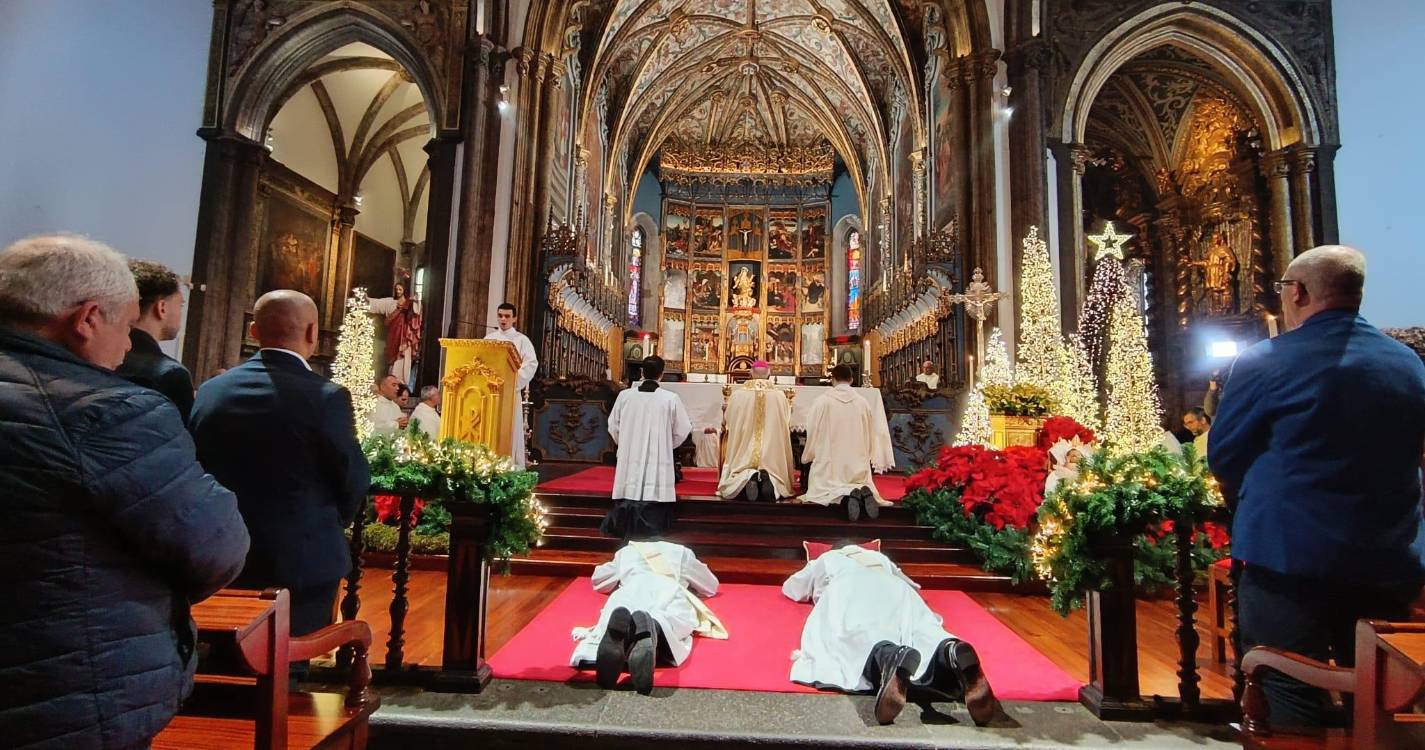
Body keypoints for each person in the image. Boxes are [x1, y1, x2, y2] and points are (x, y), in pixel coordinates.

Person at [0, 234, 249, 748]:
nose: (130, 346)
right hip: (66, 686)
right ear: (87, 318)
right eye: (125, 323)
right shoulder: (110, 412)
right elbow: (214, 547)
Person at [1209, 245, 1425, 729]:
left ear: (1299, 292)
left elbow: (1224, 455)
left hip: (1288, 556)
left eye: (1285, 288)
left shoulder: (1266, 361)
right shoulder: (1407, 363)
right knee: (1377, 699)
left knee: (1286, 684)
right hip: (1386, 556)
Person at [190, 290, 371, 639]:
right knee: (288, 665)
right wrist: (329, 521)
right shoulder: (325, 396)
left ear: (254, 332)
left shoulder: (212, 391)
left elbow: (193, 466)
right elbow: (353, 476)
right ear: (312, 333)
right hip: (301, 559)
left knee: (223, 658)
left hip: (222, 554)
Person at [783, 543, 1000, 726]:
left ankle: (890, 657)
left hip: (850, 586)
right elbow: (913, 585)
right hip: (897, 588)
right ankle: (950, 650)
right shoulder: (880, 558)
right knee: (922, 632)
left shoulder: (827, 558)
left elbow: (793, 588)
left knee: (854, 637)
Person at [571, 541, 723, 695]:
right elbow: (710, 586)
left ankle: (624, 636)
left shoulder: (627, 552)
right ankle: (652, 628)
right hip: (667, 590)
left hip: (629, 591)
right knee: (671, 619)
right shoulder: (682, 553)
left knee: (620, 614)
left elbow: (599, 581)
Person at [603, 356, 692, 538]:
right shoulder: (670, 398)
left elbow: (613, 426)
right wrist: (667, 446)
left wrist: (628, 442)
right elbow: (683, 429)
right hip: (658, 457)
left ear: (642, 372)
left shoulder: (624, 396)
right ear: (662, 374)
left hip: (629, 455)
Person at [800, 364, 891, 521]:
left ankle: (847, 495)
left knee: (823, 491)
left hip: (830, 464)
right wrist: (867, 454)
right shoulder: (863, 403)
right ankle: (857, 491)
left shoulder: (822, 401)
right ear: (852, 379)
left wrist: (809, 454)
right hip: (857, 464)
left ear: (833, 379)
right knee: (857, 481)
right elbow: (870, 433)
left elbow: (812, 429)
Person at [116, 259, 195, 415]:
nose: (181, 314)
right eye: (180, 305)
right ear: (162, 308)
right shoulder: (170, 374)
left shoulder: (94, 355)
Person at [717, 361, 794, 503]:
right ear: (769, 374)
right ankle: (771, 480)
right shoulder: (779, 396)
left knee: (739, 469)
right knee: (775, 474)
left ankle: (747, 477)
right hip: (771, 454)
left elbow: (728, 419)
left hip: (744, 449)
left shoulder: (738, 395)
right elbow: (786, 421)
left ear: (750, 373)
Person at [486, 302, 538, 467]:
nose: (503, 319)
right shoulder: (489, 339)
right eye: (500, 315)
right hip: (489, 392)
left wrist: (512, 382)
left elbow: (531, 364)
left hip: (509, 393)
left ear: (514, 318)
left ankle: (511, 466)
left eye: (507, 316)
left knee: (510, 431)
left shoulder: (521, 340)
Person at [368, 282, 421, 387]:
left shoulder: (409, 303)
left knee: (403, 358)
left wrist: (416, 300)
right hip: (394, 335)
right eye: (396, 289)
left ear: (404, 290)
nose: (398, 291)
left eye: (400, 289)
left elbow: (417, 311)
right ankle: (392, 380)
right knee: (393, 358)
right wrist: (366, 299)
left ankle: (402, 381)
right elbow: (377, 303)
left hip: (405, 336)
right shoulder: (391, 302)